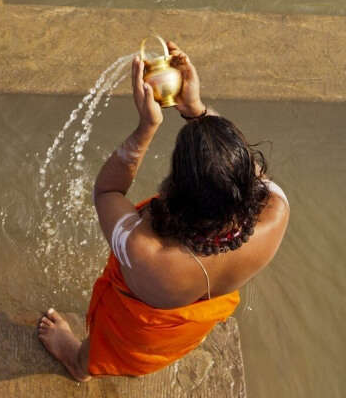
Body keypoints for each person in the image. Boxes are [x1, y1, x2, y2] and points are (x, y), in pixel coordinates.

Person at [37, 41, 290, 381]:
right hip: (184, 331)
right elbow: (242, 169)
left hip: (133, 334)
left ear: (177, 188)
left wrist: (146, 127)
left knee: (99, 351)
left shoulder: (148, 253)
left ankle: (77, 362)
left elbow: (107, 191)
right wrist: (195, 108)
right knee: (165, 344)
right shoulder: (276, 213)